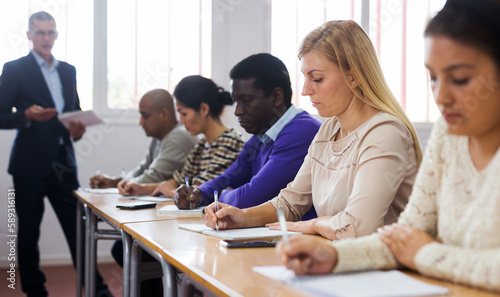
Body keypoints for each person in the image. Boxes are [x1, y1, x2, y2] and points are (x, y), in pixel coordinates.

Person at [276, 0, 500, 293]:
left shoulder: (388, 130)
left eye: (460, 78)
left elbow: (415, 248)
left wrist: (425, 254)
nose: (441, 96)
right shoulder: (448, 134)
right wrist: (332, 256)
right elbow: (406, 237)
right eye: (433, 77)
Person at [205, 20, 422, 240]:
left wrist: (311, 225)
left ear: (354, 76)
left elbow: (356, 227)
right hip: (338, 258)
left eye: (317, 78)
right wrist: (242, 216)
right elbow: (290, 203)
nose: (306, 90)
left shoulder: (385, 132)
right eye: (305, 77)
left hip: (380, 267)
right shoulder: (328, 129)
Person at [0, 11, 112, 297]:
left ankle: (97, 289)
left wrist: (78, 130)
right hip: (28, 166)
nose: (46, 38)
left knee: (79, 230)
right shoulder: (14, 69)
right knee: (28, 235)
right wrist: (24, 116)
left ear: (56, 34)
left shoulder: (68, 71)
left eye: (51, 33)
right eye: (40, 33)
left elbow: (72, 112)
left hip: (63, 164)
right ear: (28, 35)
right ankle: (35, 292)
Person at [176, 53, 321, 220]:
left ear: (277, 97)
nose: (238, 111)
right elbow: (228, 178)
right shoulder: (261, 137)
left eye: (246, 100)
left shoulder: (301, 131)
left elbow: (250, 199)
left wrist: (220, 197)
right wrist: (198, 193)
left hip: (300, 239)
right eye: (236, 101)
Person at [119, 75, 244, 201]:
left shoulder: (229, 142)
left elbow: (201, 192)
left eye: (184, 114)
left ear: (204, 109)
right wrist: (141, 188)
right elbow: (180, 180)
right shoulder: (201, 146)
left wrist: (172, 191)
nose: (182, 121)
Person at [89, 88, 198, 194]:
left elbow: (153, 177)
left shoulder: (179, 136)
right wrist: (113, 181)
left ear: (164, 114)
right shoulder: (158, 136)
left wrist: (123, 184)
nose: (141, 122)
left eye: (145, 116)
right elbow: (142, 169)